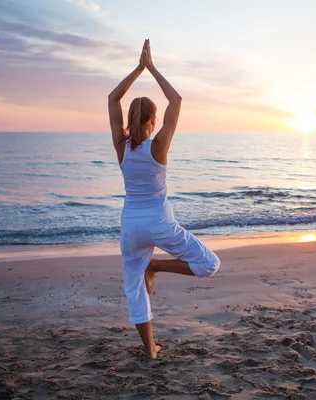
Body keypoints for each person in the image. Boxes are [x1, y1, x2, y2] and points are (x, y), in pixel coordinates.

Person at [107, 39, 220, 359]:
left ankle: (150, 350)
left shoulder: (121, 146)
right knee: (209, 264)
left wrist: (137, 69)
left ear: (131, 118)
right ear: (153, 121)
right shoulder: (159, 147)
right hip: (159, 223)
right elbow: (177, 99)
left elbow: (113, 97)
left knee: (134, 289)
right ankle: (155, 264)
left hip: (130, 225)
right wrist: (152, 68)